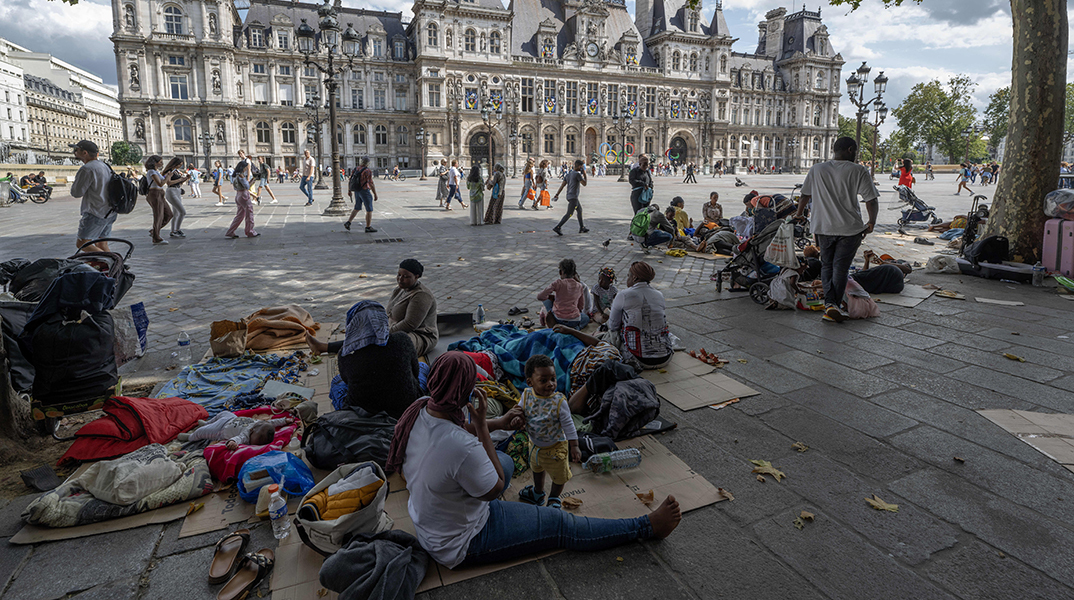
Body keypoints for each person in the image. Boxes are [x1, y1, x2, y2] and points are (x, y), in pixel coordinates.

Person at [385, 352, 681, 569]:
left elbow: (460, 428)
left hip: (431, 519)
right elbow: (495, 487)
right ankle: (645, 527)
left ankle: (514, 491)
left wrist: (498, 423)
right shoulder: (460, 446)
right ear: (465, 392)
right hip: (460, 542)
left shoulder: (421, 407)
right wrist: (484, 427)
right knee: (562, 525)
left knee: (504, 460)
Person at [793, 136, 879, 323]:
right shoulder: (858, 170)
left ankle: (830, 305)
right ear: (850, 150)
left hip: (823, 227)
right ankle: (834, 304)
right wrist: (871, 222)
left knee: (827, 265)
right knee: (840, 268)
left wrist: (799, 214)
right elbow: (871, 200)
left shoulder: (817, 169)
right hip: (850, 229)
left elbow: (804, 195)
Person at [305, 300, 425, 419]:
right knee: (422, 366)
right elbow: (415, 372)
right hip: (407, 409)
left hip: (363, 417)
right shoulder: (403, 339)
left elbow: (347, 381)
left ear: (353, 325)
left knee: (337, 381)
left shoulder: (345, 354)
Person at [517, 355, 579, 510]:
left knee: (559, 476)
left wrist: (574, 446)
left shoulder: (559, 402)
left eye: (553, 379)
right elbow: (519, 411)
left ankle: (553, 498)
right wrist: (518, 420)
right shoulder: (526, 395)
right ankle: (538, 493)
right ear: (530, 382)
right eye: (543, 380)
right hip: (535, 446)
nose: (550, 384)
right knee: (536, 469)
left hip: (556, 449)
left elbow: (569, 425)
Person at [607, 261, 673, 369]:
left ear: (634, 278)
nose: (627, 279)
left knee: (611, 332)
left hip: (637, 359)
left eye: (628, 276)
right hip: (666, 358)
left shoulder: (623, 295)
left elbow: (613, 326)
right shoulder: (659, 295)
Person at [70, 140, 115, 253]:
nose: (74, 152)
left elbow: (76, 193)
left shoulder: (87, 168)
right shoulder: (105, 166)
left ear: (84, 153)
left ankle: (110, 261)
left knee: (83, 243)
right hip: (110, 211)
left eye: (76, 150)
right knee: (101, 243)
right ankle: (113, 263)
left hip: (95, 212)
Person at [387, 259, 439, 357]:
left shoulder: (421, 295)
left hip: (419, 336)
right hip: (393, 331)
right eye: (399, 275)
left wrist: (386, 333)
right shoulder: (399, 290)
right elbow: (388, 313)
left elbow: (409, 324)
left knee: (397, 343)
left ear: (416, 277)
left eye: (405, 277)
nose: (400, 279)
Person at [179, 411, 292, 450]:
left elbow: (238, 438)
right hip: (231, 418)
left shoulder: (246, 435)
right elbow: (273, 422)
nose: (250, 442)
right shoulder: (257, 423)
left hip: (220, 430)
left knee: (202, 432)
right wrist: (284, 420)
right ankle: (207, 423)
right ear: (253, 430)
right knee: (223, 413)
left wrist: (232, 442)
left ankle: (190, 437)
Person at [537, 258, 587, 329]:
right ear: (574, 273)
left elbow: (540, 296)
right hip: (574, 320)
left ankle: (555, 324)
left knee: (547, 301)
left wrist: (549, 297)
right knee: (585, 318)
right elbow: (581, 306)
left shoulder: (558, 283)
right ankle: (575, 329)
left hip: (558, 318)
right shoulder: (579, 286)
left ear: (560, 272)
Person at [225, 150, 259, 238]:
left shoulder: (234, 175)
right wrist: (253, 180)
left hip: (238, 195)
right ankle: (250, 231)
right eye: (245, 168)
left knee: (240, 215)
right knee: (249, 213)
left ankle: (230, 231)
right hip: (244, 195)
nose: (246, 169)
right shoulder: (241, 175)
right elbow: (247, 186)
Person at [551, 159, 589, 236]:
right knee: (569, 213)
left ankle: (582, 227)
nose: (582, 168)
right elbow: (584, 184)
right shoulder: (577, 175)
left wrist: (557, 194)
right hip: (573, 197)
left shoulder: (568, 174)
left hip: (569, 196)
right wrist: (585, 174)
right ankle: (558, 227)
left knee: (579, 210)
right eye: (582, 167)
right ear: (579, 166)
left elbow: (562, 185)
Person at [143, 155, 173, 245]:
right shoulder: (152, 172)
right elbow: (160, 183)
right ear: (155, 163)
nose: (162, 163)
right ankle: (156, 238)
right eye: (160, 162)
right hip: (155, 194)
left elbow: (165, 182)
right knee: (158, 215)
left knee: (169, 214)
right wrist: (167, 176)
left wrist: (168, 176)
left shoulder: (156, 172)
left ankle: (154, 231)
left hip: (160, 193)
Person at [344, 157, 378, 233]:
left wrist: (349, 190)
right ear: (368, 163)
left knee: (357, 207)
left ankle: (348, 222)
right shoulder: (367, 171)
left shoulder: (356, 169)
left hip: (357, 190)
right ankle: (368, 227)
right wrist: (375, 194)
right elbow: (371, 183)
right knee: (369, 209)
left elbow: (350, 180)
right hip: (365, 191)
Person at [161, 157, 190, 238]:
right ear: (175, 163)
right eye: (179, 164)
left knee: (176, 213)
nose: (180, 166)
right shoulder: (169, 171)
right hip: (171, 191)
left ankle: (173, 231)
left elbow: (178, 182)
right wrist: (180, 179)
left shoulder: (176, 171)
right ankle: (177, 229)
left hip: (177, 190)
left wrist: (185, 179)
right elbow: (169, 182)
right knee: (182, 212)